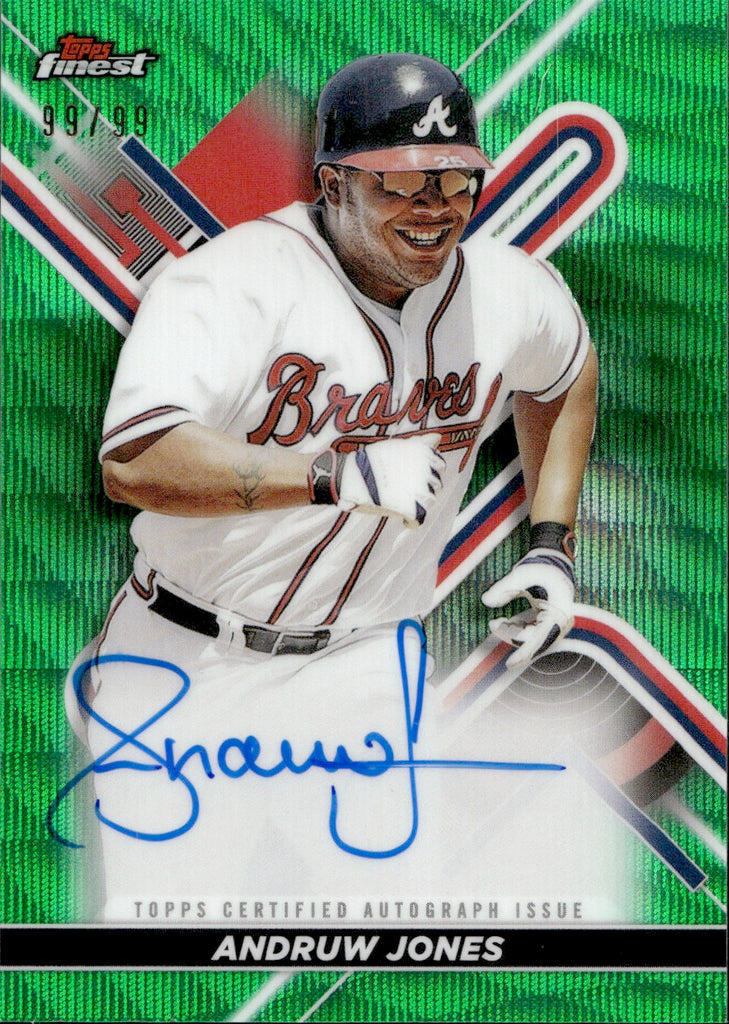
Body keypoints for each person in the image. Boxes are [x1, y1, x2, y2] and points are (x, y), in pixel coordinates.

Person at [63, 52, 597, 920]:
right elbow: (135, 462)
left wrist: (549, 543)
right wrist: (328, 473)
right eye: (401, 181)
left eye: (455, 179)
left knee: (393, 931)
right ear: (332, 183)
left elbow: (565, 374)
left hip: (366, 663)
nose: (434, 206)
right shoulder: (229, 282)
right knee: (170, 934)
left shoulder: (508, 289)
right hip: (187, 657)